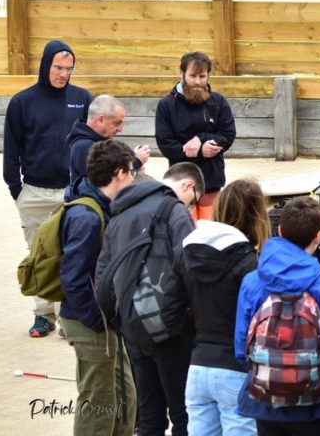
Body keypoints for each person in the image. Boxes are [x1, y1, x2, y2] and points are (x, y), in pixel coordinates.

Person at [96, 162, 204, 436]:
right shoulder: (174, 210)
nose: (192, 206)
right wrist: (192, 320)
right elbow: (190, 268)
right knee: (183, 414)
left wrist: (119, 320)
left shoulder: (119, 216)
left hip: (133, 327)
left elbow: (103, 276)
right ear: (187, 186)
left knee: (149, 416)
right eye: (195, 201)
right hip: (173, 330)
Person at [234, 197, 320, 436]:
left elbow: (241, 348)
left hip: (265, 399)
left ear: (279, 230)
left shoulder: (253, 281)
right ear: (319, 235)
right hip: (313, 400)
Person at [164, 179, 270, 436]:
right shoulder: (249, 263)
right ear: (258, 214)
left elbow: (170, 312)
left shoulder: (185, 251)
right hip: (236, 370)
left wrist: (200, 329)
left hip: (198, 367)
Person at [3, 39, 93, 337]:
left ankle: (68, 316)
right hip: (34, 192)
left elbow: (93, 142)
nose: (63, 74)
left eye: (69, 68)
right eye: (58, 67)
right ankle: (43, 315)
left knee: (73, 253)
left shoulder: (82, 98)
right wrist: (16, 189)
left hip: (72, 191)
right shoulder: (22, 101)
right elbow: (11, 147)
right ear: (46, 65)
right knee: (40, 253)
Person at [59, 140, 138, 435]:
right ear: (118, 173)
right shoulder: (87, 218)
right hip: (92, 323)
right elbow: (73, 277)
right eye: (131, 172)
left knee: (125, 399)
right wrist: (96, 321)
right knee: (99, 404)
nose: (133, 178)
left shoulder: (106, 207)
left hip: (108, 321)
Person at [155, 51, 236, 220]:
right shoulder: (166, 105)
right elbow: (166, 144)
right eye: (192, 76)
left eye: (202, 76)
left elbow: (228, 134)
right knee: (183, 231)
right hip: (181, 183)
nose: (198, 82)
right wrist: (198, 151)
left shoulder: (218, 101)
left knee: (210, 229)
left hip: (212, 181)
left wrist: (202, 140)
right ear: (182, 74)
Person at [67, 94, 150, 183]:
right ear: (100, 120)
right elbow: (106, 183)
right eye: (117, 123)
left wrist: (133, 169)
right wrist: (136, 162)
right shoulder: (84, 146)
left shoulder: (98, 143)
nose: (120, 129)